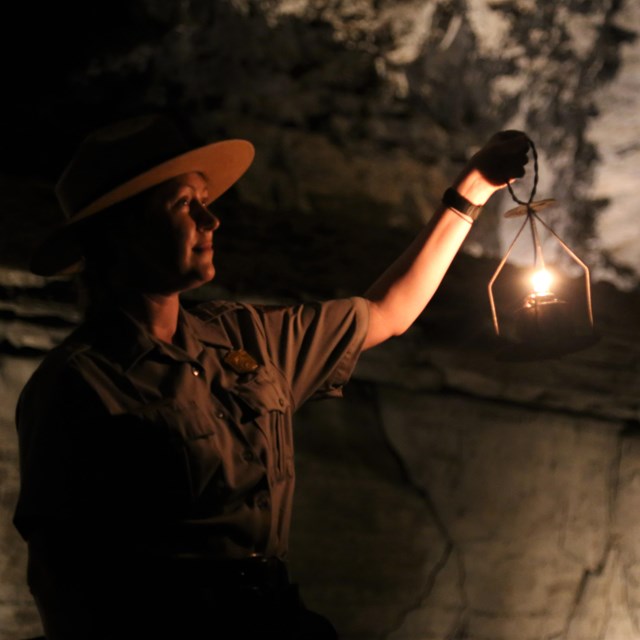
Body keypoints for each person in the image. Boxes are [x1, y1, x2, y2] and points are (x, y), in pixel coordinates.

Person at [13, 114, 528, 639]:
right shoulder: (79, 386)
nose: (211, 221)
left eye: (205, 201)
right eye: (184, 204)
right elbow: (65, 582)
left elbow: (387, 311)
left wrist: (473, 190)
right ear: (122, 233)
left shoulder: (246, 339)